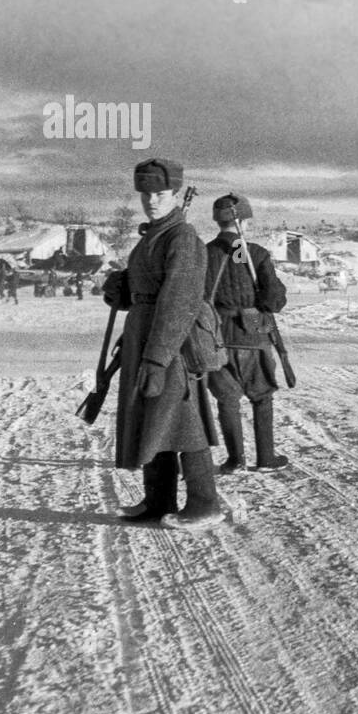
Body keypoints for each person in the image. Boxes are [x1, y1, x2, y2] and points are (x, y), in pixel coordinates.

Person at [102, 158, 223, 527]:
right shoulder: (152, 237)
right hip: (145, 337)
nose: (152, 200)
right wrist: (119, 290)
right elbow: (144, 294)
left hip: (171, 345)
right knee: (153, 419)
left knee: (182, 421)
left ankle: (206, 504)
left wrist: (156, 359)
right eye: (146, 194)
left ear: (175, 194)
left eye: (160, 193)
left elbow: (179, 302)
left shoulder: (182, 238)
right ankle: (159, 500)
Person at [204, 193, 290, 473]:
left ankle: (235, 460)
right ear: (242, 221)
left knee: (227, 399)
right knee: (262, 396)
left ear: (219, 221)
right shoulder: (251, 252)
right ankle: (265, 458)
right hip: (253, 336)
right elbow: (274, 300)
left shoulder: (204, 253)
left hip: (215, 338)